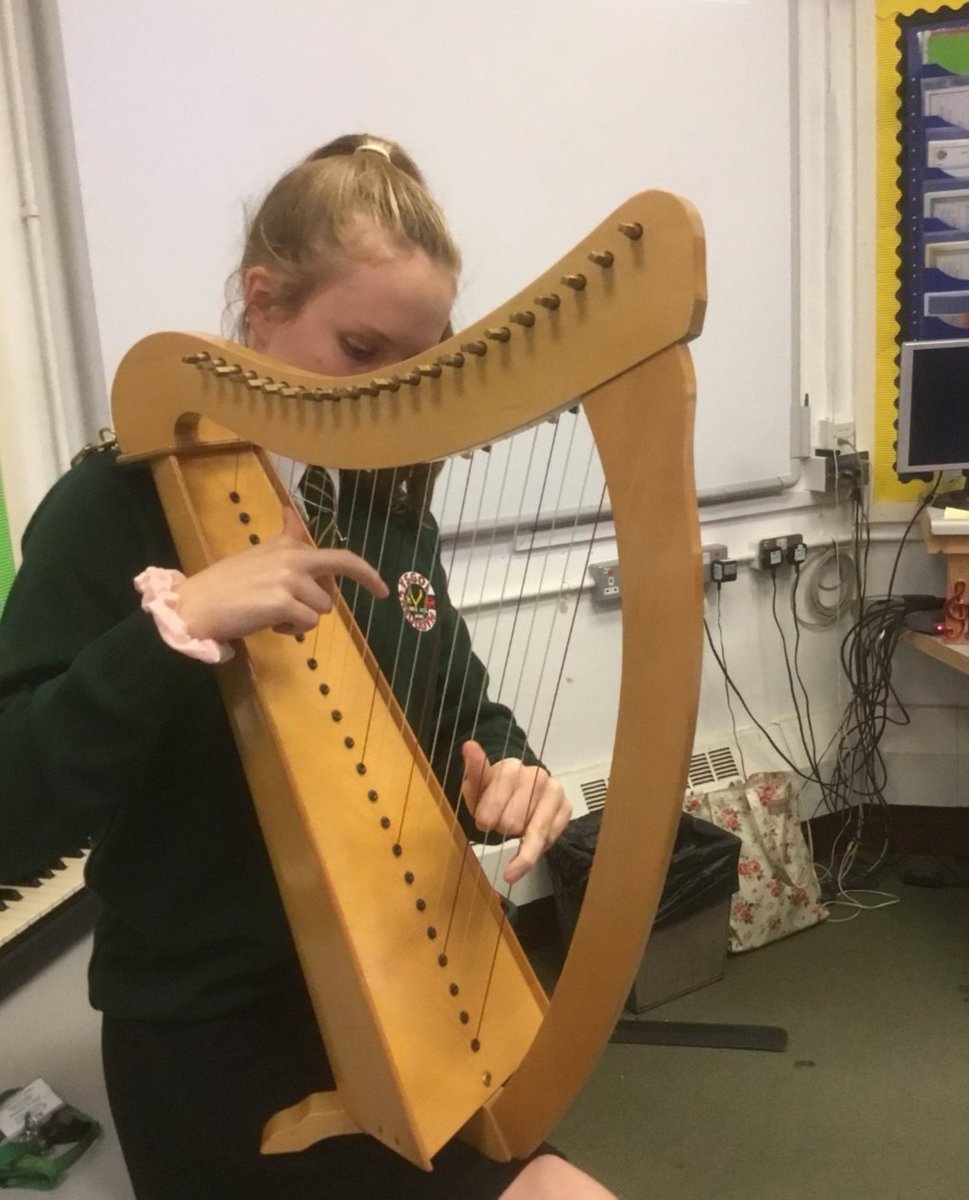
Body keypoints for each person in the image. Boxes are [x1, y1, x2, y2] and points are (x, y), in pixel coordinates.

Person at [0, 134, 619, 1200]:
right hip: (212, 1039)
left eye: (416, 369)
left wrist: (506, 778)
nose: (389, 401)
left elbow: (459, 703)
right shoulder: (108, 508)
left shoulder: (380, 508)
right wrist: (176, 628)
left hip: (407, 991)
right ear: (262, 302)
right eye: (361, 350)